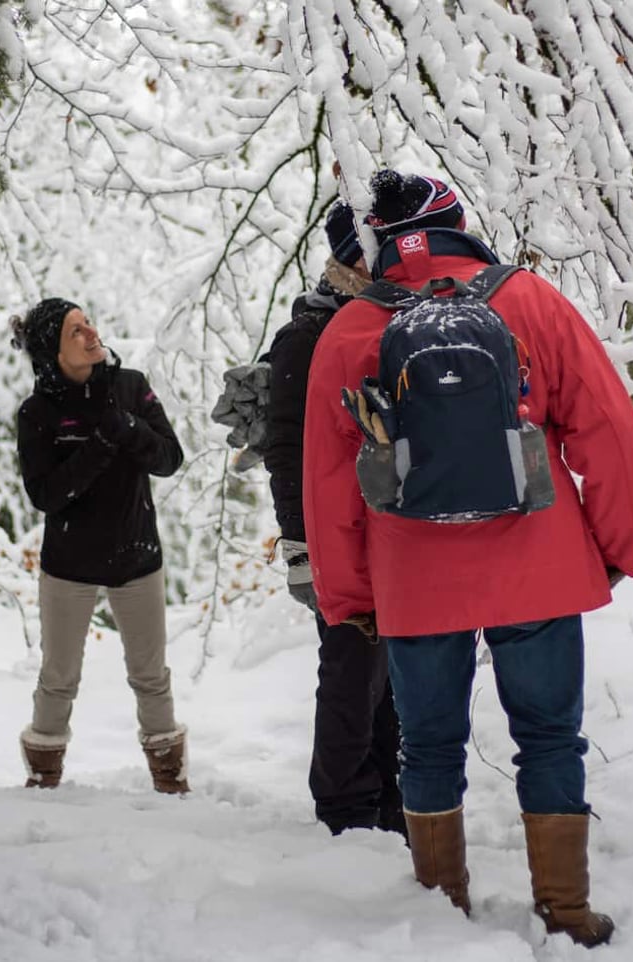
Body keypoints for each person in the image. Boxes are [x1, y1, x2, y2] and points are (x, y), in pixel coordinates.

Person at [303, 170, 633, 946]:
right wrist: (615, 549)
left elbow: (330, 488)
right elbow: (611, 433)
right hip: (540, 563)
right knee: (551, 739)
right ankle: (566, 909)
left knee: (427, 745)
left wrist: (350, 598)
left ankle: (442, 907)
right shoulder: (527, 299)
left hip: (414, 578)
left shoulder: (352, 329)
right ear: (456, 222)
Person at [264, 201, 406, 838]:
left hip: (388, 528)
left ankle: (386, 795)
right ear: (358, 255)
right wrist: (300, 542)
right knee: (352, 665)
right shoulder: (311, 333)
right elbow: (286, 448)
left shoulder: (385, 321)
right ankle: (346, 804)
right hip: (334, 533)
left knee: (391, 672)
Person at [11, 298, 189, 794]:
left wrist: (129, 427)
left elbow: (170, 458)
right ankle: (43, 775)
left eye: (87, 321)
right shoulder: (38, 412)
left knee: (151, 675)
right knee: (58, 676)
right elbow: (46, 494)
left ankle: (169, 778)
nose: (91, 332)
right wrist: (102, 443)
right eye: (75, 331)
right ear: (54, 352)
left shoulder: (130, 386)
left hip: (137, 557)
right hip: (68, 566)